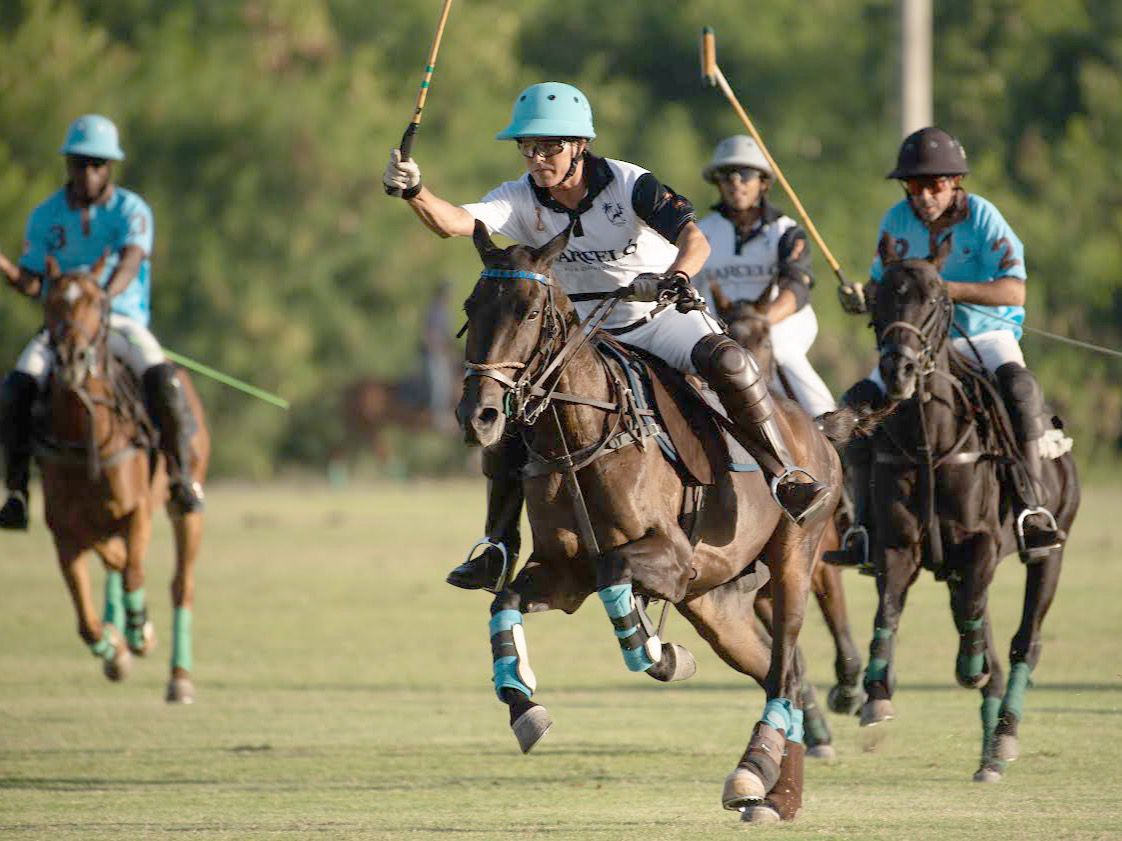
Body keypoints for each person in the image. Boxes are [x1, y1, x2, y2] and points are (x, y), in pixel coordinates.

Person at [384, 82, 831, 592]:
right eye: (528, 147)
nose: (537, 158)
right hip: (582, 335)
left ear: (579, 146)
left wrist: (677, 278)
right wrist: (416, 190)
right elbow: (455, 223)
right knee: (511, 406)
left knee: (730, 363)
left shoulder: (628, 184)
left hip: (656, 315)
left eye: (549, 147)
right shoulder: (518, 197)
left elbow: (695, 238)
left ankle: (784, 475)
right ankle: (498, 544)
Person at [830, 126, 1062, 565]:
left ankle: (1033, 510)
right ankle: (860, 527)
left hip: (984, 336)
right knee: (855, 404)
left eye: (934, 184)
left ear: (955, 182)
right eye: (914, 185)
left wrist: (946, 288)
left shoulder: (984, 217)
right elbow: (885, 288)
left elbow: (1015, 293)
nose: (923, 195)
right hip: (919, 346)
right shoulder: (895, 221)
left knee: (1021, 389)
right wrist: (861, 297)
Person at [0, 114, 204, 530]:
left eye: (97, 163)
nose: (88, 172)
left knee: (163, 379)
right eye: (80, 163)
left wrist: (100, 300)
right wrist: (4, 267)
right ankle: (17, 491)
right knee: (17, 386)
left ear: (110, 166)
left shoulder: (132, 210)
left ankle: (181, 478)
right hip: (61, 327)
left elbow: (132, 259)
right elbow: (33, 280)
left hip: (120, 320)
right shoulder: (46, 216)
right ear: (69, 165)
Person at [694, 135, 836, 419]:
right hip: (721, 327)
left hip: (779, 323)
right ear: (718, 182)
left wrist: (760, 321)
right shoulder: (701, 231)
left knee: (779, 348)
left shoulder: (785, 231)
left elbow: (797, 285)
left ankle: (825, 421)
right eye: (727, 174)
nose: (736, 181)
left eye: (745, 174)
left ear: (763, 182)